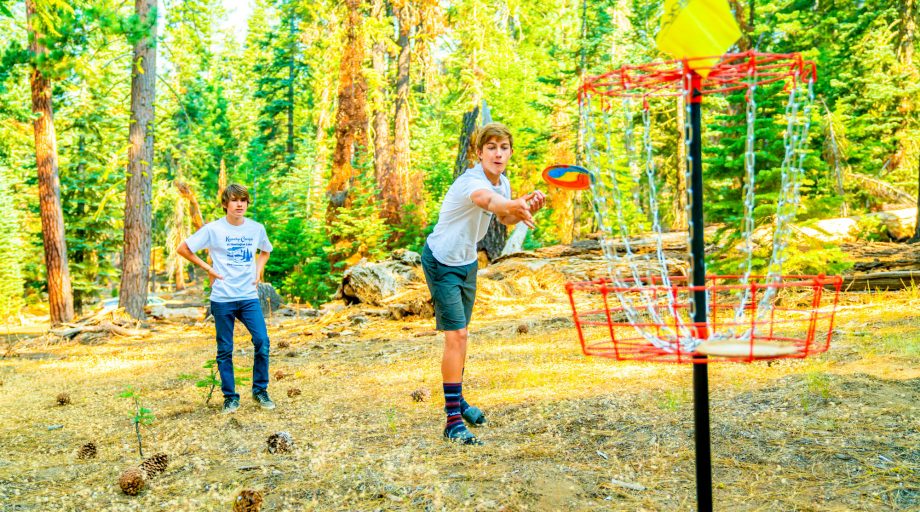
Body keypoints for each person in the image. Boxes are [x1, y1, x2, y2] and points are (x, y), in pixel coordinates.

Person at [421, 122, 546, 445]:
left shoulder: (501, 183)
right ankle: (452, 421)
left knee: (462, 337)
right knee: (457, 335)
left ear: (510, 152)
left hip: (466, 262)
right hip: (441, 261)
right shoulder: (471, 182)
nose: (498, 153)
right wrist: (511, 205)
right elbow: (489, 203)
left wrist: (523, 207)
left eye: (503, 148)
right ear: (479, 153)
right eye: (491, 147)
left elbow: (503, 217)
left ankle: (457, 400)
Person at [177, 183, 275, 414]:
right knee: (225, 349)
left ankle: (260, 390)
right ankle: (230, 397)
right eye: (234, 200)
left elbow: (266, 250)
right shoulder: (213, 229)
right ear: (225, 204)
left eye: (243, 200)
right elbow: (183, 248)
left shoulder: (256, 228)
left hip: (248, 296)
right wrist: (207, 268)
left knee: (262, 342)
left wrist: (258, 270)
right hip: (222, 298)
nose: (239, 204)